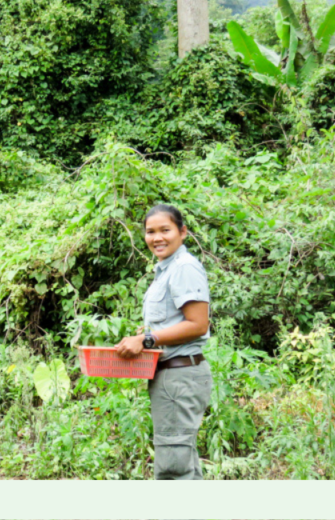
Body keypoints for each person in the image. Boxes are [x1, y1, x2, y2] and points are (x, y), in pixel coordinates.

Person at [115, 203, 213, 480]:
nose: (157, 237)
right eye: (150, 232)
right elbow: (174, 322)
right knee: (182, 464)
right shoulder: (165, 270)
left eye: (165, 230)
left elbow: (197, 324)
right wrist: (145, 333)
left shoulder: (183, 267)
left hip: (179, 378)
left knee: (173, 469)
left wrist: (147, 338)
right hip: (170, 376)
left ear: (182, 232)